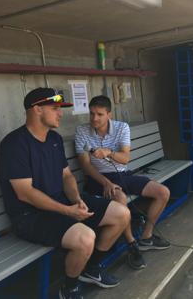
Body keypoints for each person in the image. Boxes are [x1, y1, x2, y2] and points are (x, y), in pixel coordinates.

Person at [0, 88, 131, 299]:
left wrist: (76, 200)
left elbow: (67, 176)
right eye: (55, 108)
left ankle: (91, 268)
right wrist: (68, 211)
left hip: (60, 203)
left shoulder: (54, 139)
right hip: (30, 216)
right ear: (37, 109)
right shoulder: (14, 144)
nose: (61, 113)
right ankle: (69, 288)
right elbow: (25, 194)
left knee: (121, 213)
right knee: (86, 237)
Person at [75, 95, 171, 271]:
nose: (94, 118)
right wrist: (105, 182)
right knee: (120, 198)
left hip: (122, 174)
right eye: (91, 113)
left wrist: (108, 152)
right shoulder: (82, 131)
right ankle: (131, 244)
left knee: (162, 192)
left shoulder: (121, 128)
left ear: (109, 115)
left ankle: (146, 237)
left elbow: (125, 158)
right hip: (97, 179)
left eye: (99, 114)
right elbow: (85, 166)